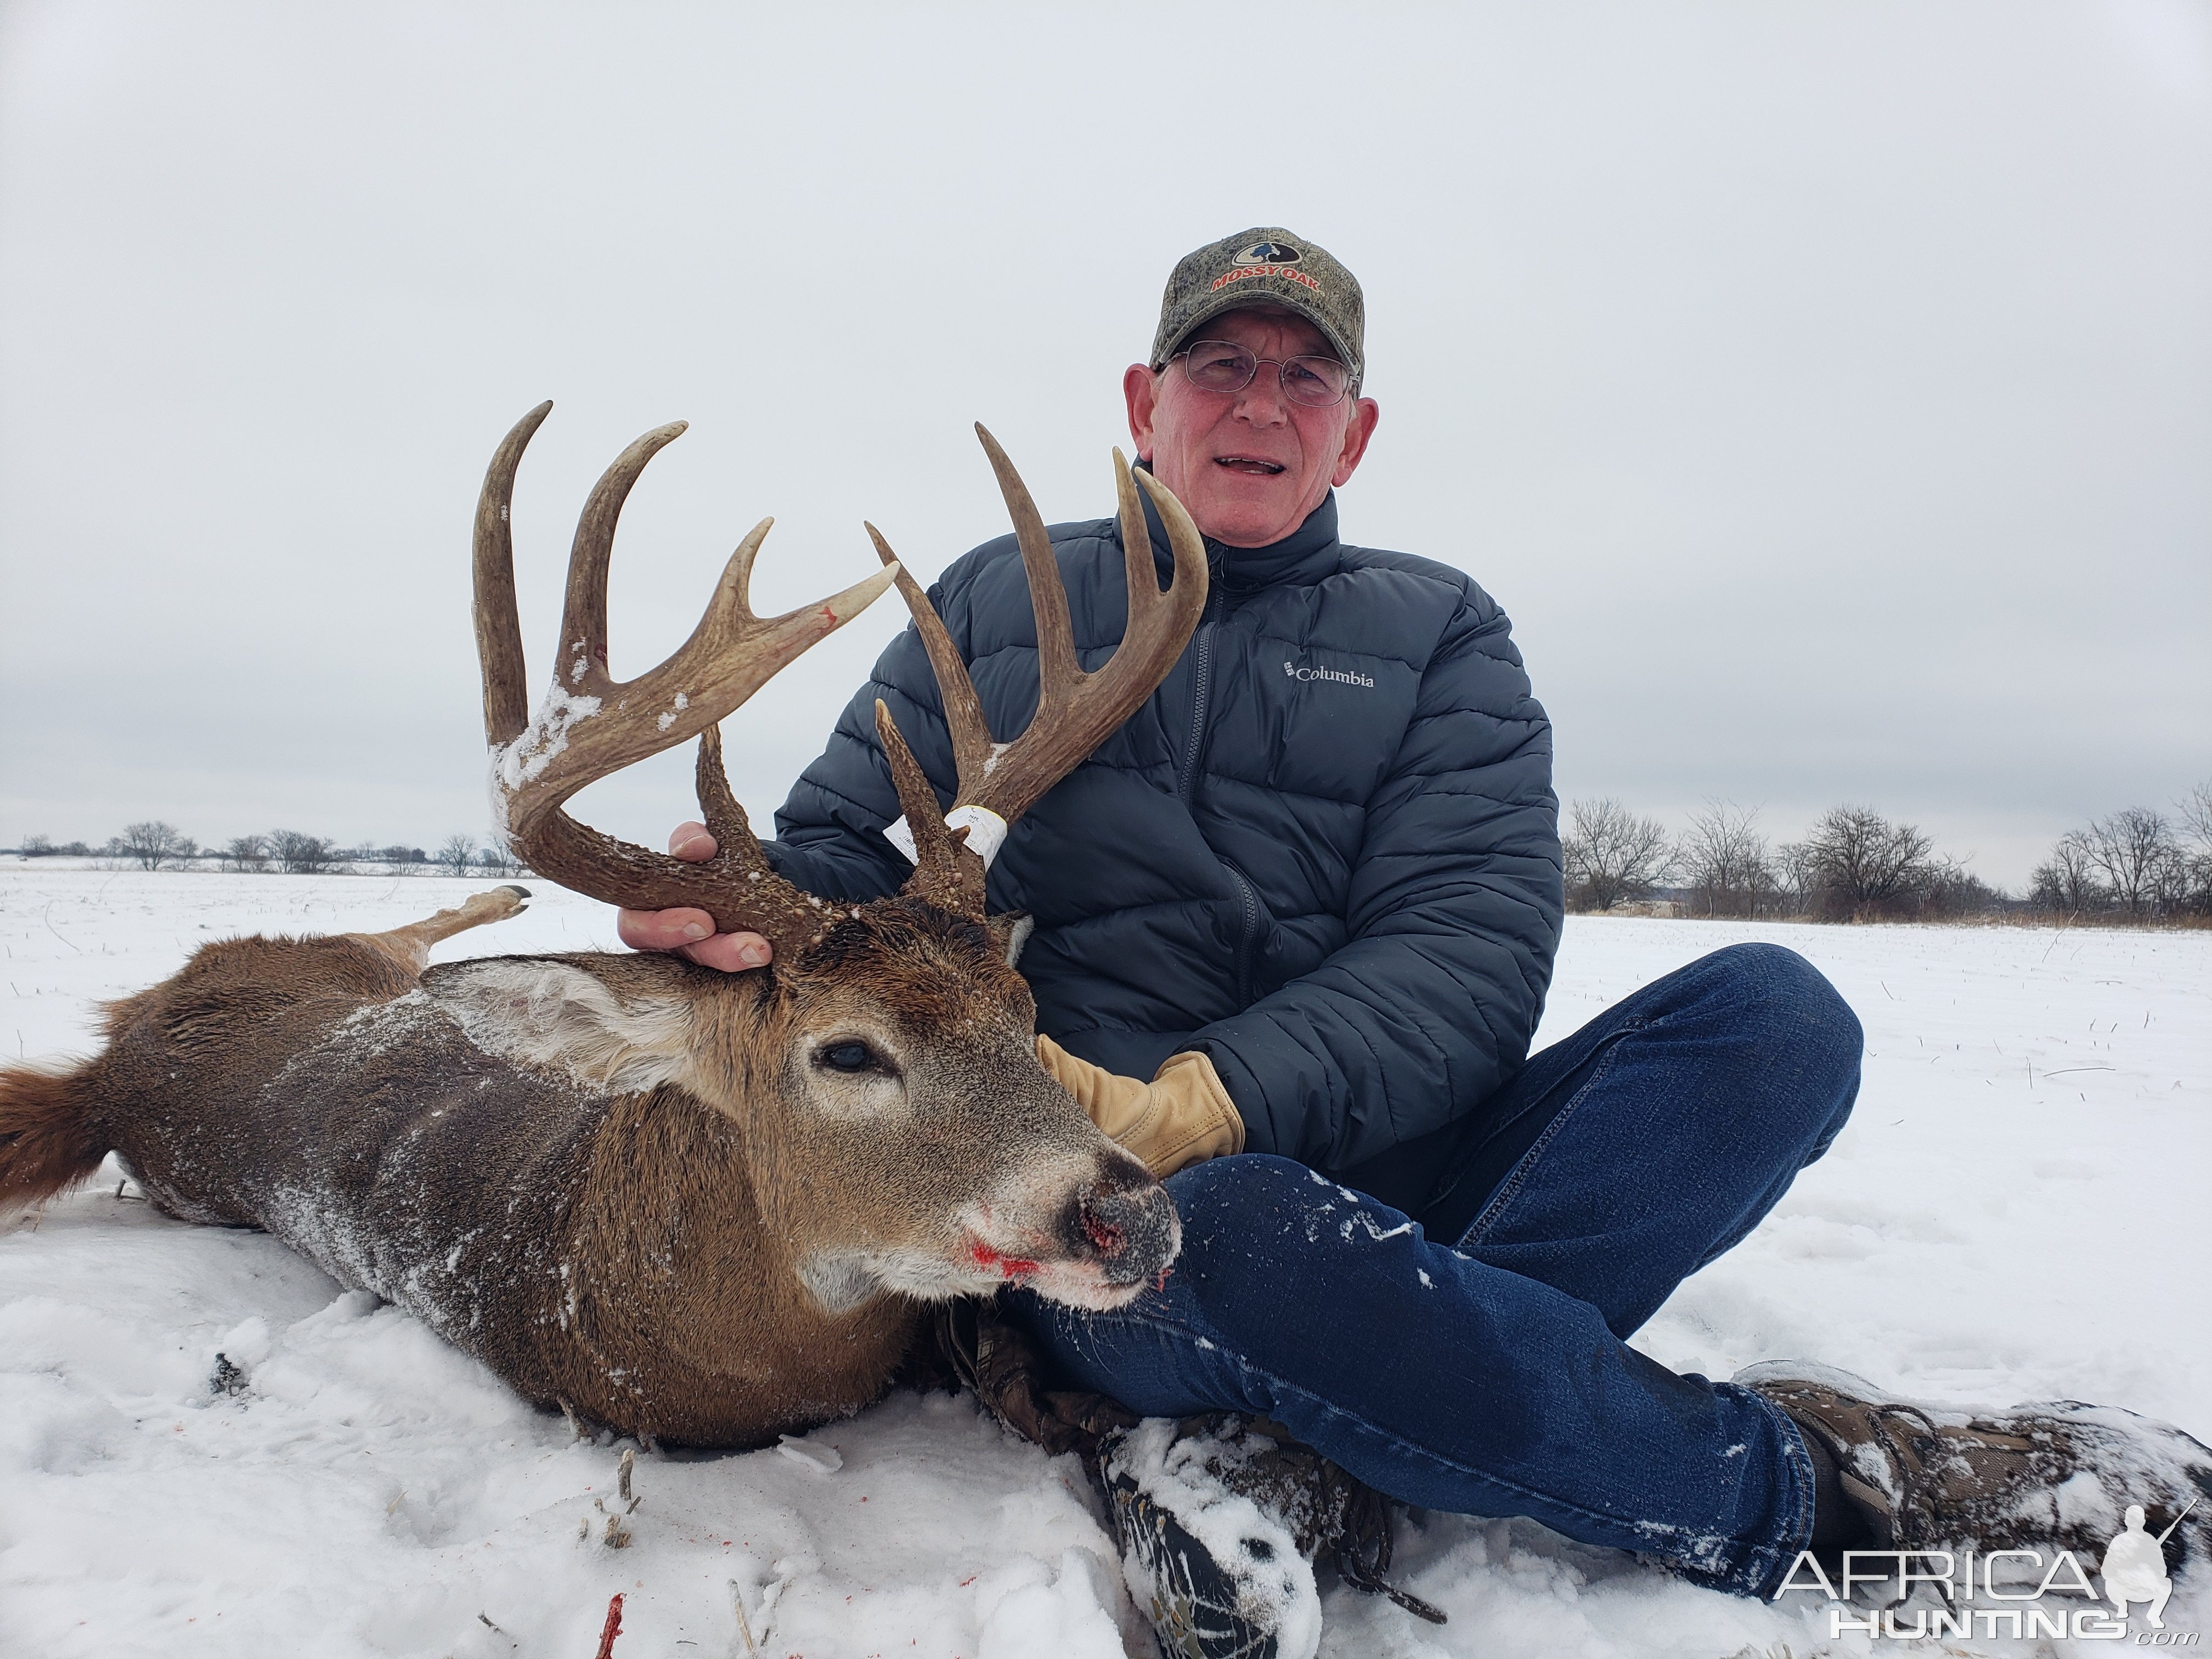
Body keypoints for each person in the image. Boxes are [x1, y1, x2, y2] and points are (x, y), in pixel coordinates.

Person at [618, 228, 2209, 1657]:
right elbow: (842, 861)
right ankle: (1826, 1500)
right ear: (1142, 401)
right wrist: (736, 907)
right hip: (1105, 1214)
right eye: (1221, 365)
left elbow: (1471, 952)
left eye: (1307, 377)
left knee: (1774, 1022)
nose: (1262, 404)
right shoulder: (1001, 596)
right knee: (1239, 1238)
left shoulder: (1439, 631)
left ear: (1354, 431)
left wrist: (1205, 1095)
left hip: (1406, 1172)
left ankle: (1321, 1430)